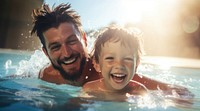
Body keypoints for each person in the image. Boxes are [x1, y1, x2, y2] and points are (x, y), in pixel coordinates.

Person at [31, 3, 193, 100]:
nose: (67, 53)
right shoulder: (47, 76)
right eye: (56, 47)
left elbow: (178, 92)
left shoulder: (109, 70)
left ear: (85, 40)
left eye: (72, 41)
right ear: (46, 53)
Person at [82, 26, 148, 101]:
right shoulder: (90, 89)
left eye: (128, 59)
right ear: (97, 64)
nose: (119, 65)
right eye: (110, 58)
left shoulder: (139, 91)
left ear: (136, 65)